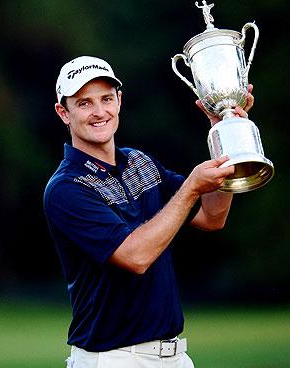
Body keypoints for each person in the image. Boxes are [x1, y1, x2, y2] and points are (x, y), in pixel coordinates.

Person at [43, 55, 253, 368]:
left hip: (175, 356)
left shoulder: (140, 163)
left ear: (119, 101)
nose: (99, 112)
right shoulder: (66, 188)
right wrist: (191, 187)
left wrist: (225, 137)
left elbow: (212, 217)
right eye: (84, 103)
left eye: (106, 99)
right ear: (64, 113)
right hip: (113, 359)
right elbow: (135, 256)